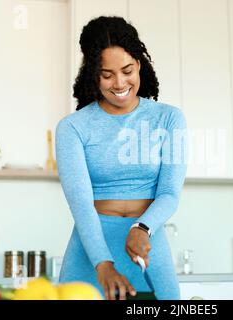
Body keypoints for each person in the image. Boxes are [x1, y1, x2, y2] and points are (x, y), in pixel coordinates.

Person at [55, 16, 187, 300]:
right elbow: (81, 205)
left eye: (127, 70)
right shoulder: (72, 128)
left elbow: (169, 193)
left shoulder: (168, 118)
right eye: (107, 74)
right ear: (94, 74)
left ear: (139, 64)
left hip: (146, 242)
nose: (119, 83)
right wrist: (103, 264)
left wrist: (143, 227)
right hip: (91, 249)